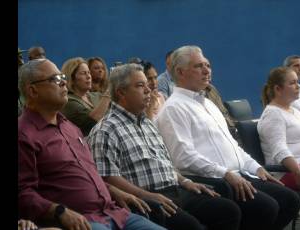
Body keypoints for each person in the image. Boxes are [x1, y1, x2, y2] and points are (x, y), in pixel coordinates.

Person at [155, 45, 300, 230]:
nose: (207, 70)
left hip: (238, 175)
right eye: (199, 66)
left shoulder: (208, 103)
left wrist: (256, 168)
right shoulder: (173, 108)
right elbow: (184, 157)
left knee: (290, 199)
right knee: (266, 207)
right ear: (180, 71)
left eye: (208, 65)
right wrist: (226, 174)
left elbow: (232, 146)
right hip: (213, 180)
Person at [88, 63, 241, 230]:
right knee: (192, 226)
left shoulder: (147, 123)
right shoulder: (106, 130)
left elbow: (164, 164)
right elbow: (107, 178)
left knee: (228, 211)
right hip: (144, 199)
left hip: (176, 189)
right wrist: (148, 196)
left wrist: (186, 181)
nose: (148, 90)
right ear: (121, 92)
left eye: (147, 84)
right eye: (140, 86)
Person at [18, 58, 165, 230]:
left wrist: (113, 190)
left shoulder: (69, 127)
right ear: (33, 90)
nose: (64, 82)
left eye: (63, 77)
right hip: (80, 220)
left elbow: (88, 174)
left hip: (114, 213)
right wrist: (59, 211)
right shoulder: (24, 134)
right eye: (56, 79)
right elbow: (22, 193)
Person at [257, 67, 300, 193]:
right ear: (278, 89)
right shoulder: (273, 114)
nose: (298, 86)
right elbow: (279, 150)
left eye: (297, 82)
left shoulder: (295, 111)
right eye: (292, 83)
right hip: (290, 171)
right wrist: (298, 172)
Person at [60, 57, 111, 136]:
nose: (89, 76)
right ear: (72, 78)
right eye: (84, 73)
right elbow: (93, 121)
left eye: (89, 73)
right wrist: (109, 91)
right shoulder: (68, 101)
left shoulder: (95, 95)